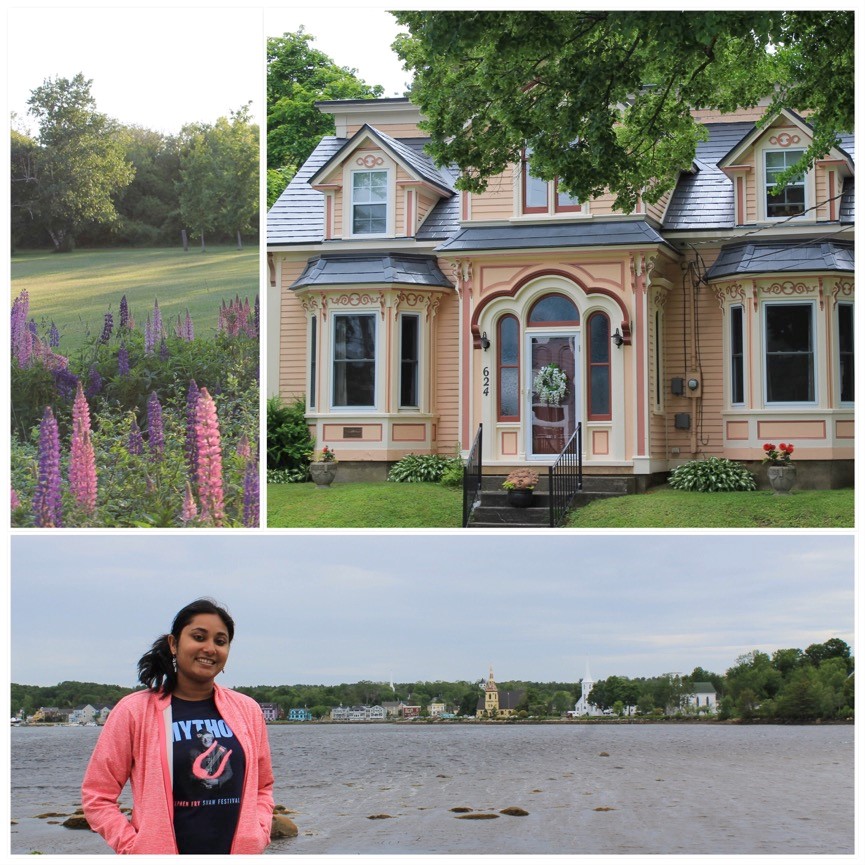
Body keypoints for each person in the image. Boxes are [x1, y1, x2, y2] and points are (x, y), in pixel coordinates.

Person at [81, 598, 274, 855]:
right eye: (198, 637)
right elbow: (97, 795)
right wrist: (135, 848)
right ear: (174, 644)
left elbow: (263, 786)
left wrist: (259, 833)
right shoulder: (134, 711)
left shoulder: (247, 710)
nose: (210, 648)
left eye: (220, 641)